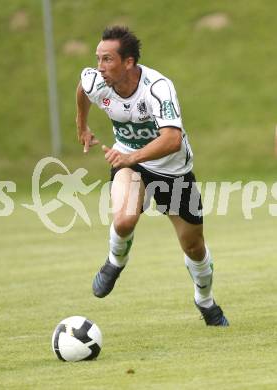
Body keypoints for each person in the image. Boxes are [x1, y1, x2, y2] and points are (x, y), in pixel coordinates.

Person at [76, 26, 229, 326]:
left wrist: (130, 156)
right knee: (123, 218)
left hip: (173, 171)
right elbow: (82, 88)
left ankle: (205, 301)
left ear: (129, 62)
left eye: (108, 60)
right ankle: (115, 262)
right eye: (98, 58)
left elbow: (172, 138)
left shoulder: (158, 88)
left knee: (194, 247)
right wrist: (82, 126)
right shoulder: (98, 81)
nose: (100, 67)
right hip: (131, 164)